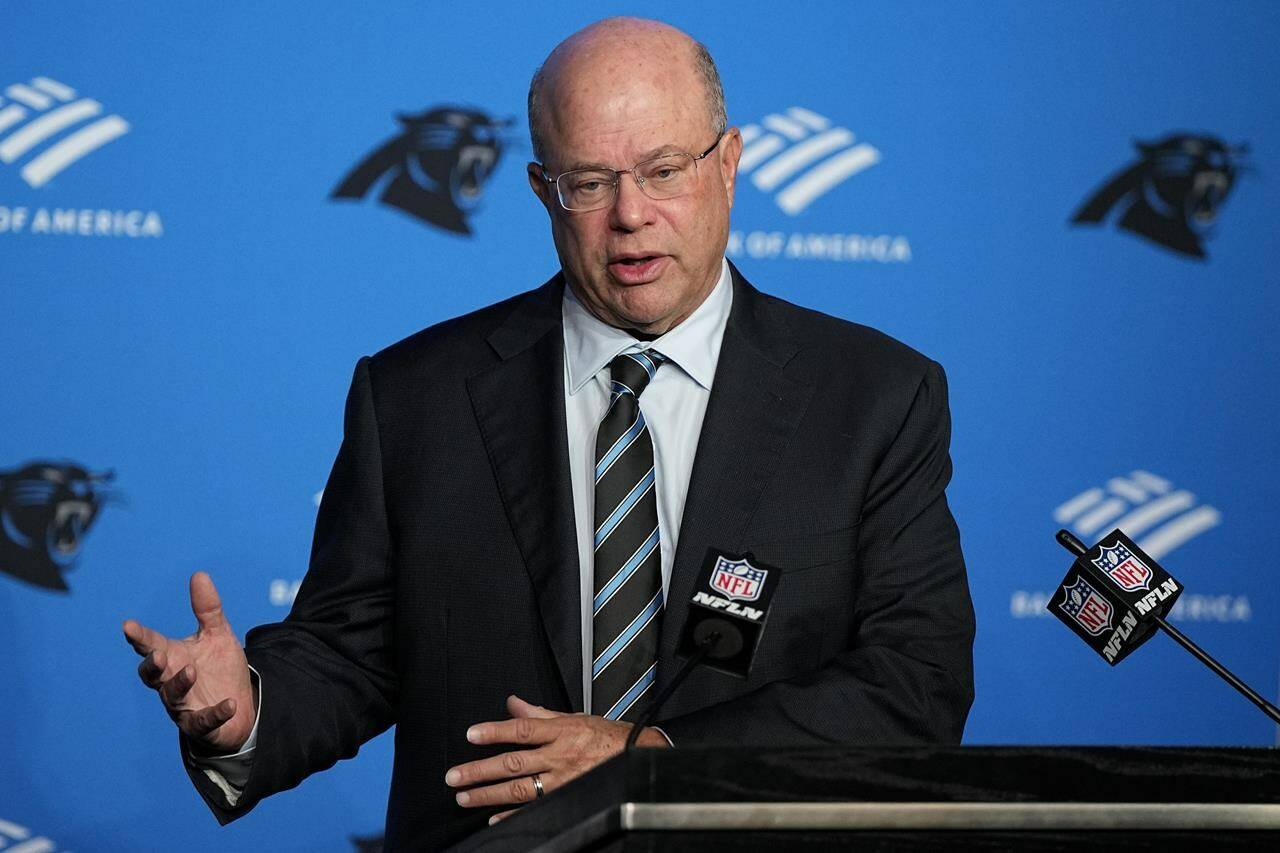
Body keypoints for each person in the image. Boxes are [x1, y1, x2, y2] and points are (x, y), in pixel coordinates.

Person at [123, 16, 975, 851]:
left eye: (664, 169)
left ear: (731, 162)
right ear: (541, 189)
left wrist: (650, 762)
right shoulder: (417, 396)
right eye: (591, 182)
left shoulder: (873, 396)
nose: (632, 214)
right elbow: (350, 655)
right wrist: (247, 712)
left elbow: (916, 683)